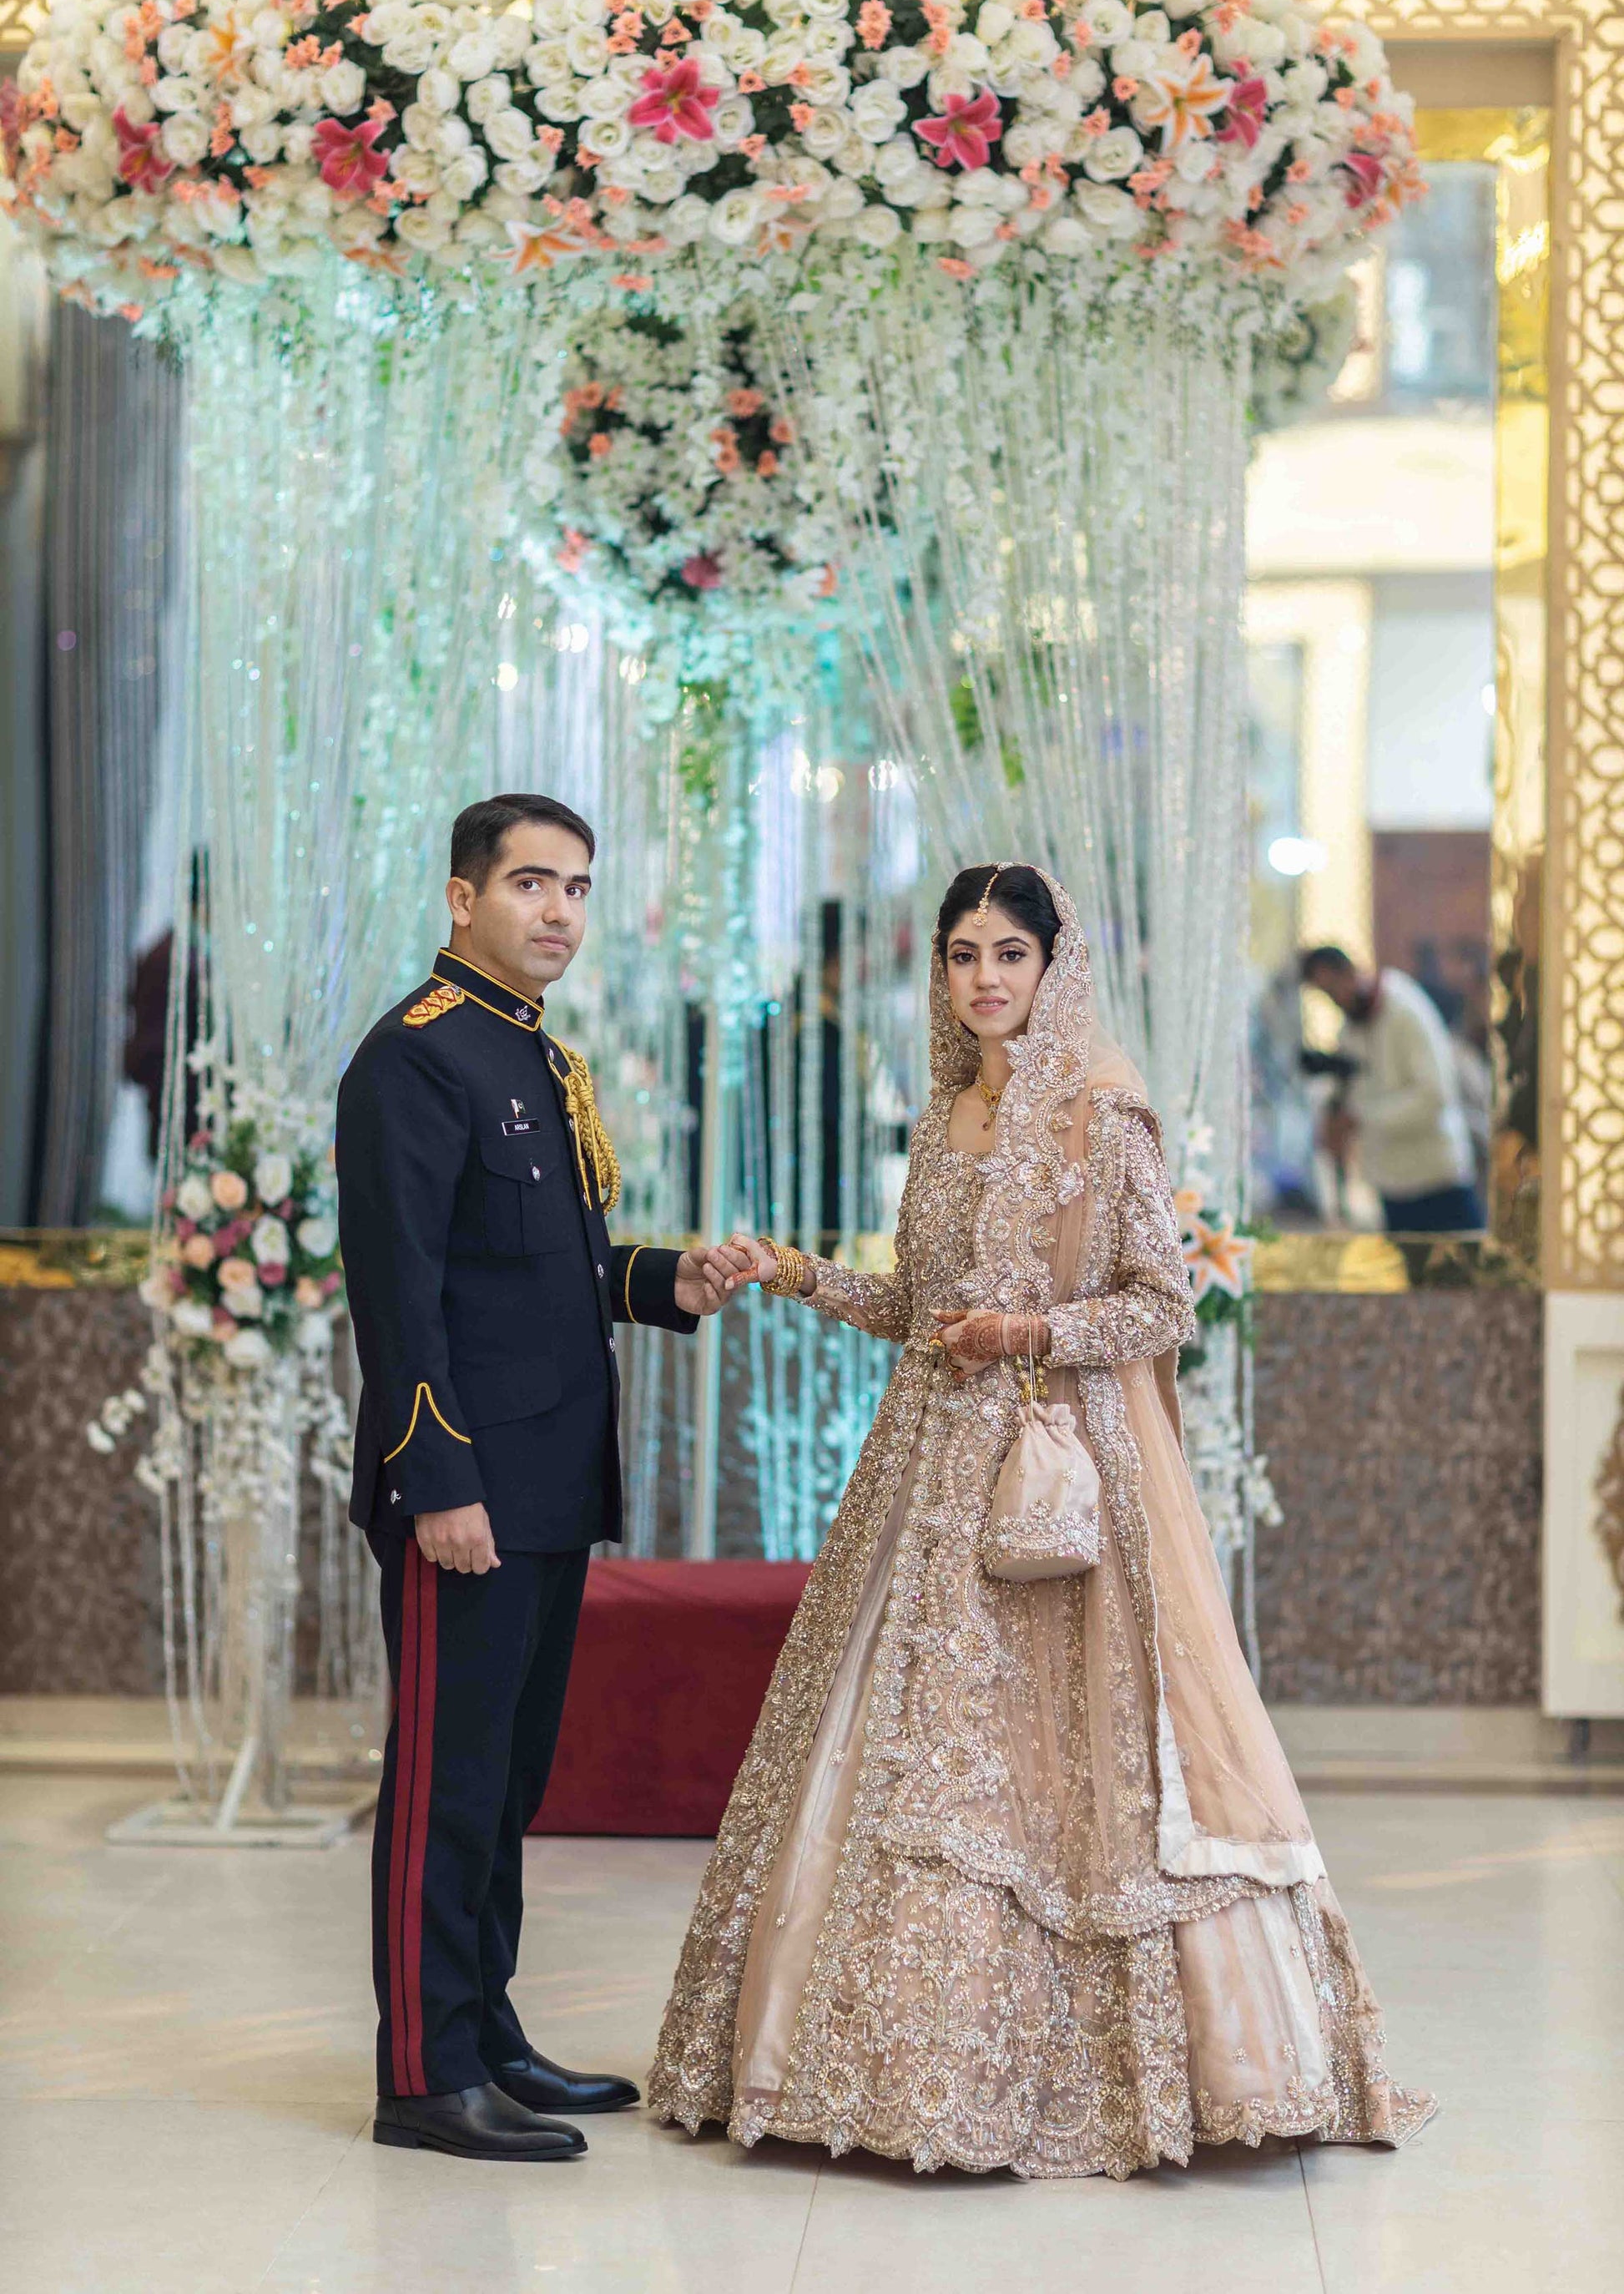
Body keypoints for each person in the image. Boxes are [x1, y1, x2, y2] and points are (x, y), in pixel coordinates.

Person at [650, 864, 1435, 2179]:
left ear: (1051, 966)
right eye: (962, 954)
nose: (984, 978)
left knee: (1074, 1771)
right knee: (915, 1756)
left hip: (1060, 1479)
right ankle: (877, 2065)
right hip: (924, 1481)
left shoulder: (1099, 1110)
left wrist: (1026, 1333)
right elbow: (914, 1307)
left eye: (1008, 953)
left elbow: (1158, 1302)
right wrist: (789, 1270)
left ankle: (1119, 2066)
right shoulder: (942, 1109)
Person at [337, 791, 752, 2164]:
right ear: (464, 898)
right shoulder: (414, 1058)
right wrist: (436, 1478)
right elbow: (401, 1296)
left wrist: (664, 1277)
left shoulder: (533, 1052)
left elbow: (539, 1269)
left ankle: (489, 2033)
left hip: (551, 1475)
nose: (559, 908)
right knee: (443, 1783)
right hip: (466, 1488)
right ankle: (424, 2071)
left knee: (505, 1781)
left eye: (576, 884)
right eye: (530, 882)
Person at [1299, 944, 1485, 1232]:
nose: (1335, 1000)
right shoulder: (1351, 1029)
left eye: (1334, 988)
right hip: (1392, 1186)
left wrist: (1360, 1119)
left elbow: (1434, 1099)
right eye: (1326, 995)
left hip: (1437, 1182)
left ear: (1350, 972)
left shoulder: (1404, 1009)